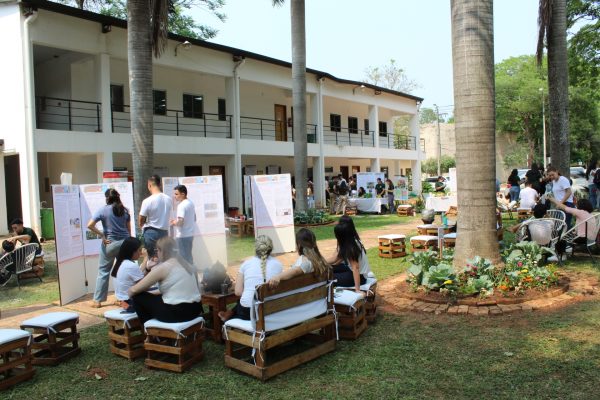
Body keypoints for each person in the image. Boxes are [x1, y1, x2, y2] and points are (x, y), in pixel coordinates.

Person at [128, 237, 203, 325]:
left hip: (178, 314)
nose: (157, 253)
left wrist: (129, 294)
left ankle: (151, 332)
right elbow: (175, 289)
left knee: (138, 296)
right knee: (153, 298)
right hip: (195, 309)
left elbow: (133, 290)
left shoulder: (164, 268)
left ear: (161, 251)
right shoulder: (188, 265)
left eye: (157, 250)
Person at [218, 235, 283, 321]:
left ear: (255, 249)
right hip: (270, 309)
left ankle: (230, 315)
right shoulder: (278, 264)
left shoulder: (246, 264)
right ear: (270, 249)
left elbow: (238, 292)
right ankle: (230, 313)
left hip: (249, 311)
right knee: (247, 301)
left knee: (245, 301)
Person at [87, 188, 131, 308]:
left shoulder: (103, 210)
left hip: (109, 243)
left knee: (103, 271)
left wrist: (101, 235)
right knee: (122, 271)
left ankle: (97, 301)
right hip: (124, 244)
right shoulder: (125, 211)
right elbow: (129, 230)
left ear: (107, 198)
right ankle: (123, 299)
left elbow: (89, 225)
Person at [329, 216, 371, 292]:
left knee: (329, 277)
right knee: (328, 269)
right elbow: (336, 259)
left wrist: (357, 289)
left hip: (360, 277)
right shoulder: (350, 241)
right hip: (350, 270)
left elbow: (355, 267)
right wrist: (319, 262)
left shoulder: (351, 246)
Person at [139, 175, 172, 258]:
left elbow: (141, 218)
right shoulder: (169, 199)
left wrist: (141, 226)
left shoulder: (147, 201)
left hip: (151, 233)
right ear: (160, 184)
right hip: (164, 232)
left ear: (149, 185)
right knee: (164, 258)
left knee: (152, 259)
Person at [111, 237, 145, 312]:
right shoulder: (131, 265)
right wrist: (146, 259)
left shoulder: (119, 263)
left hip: (123, 300)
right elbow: (144, 284)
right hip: (131, 302)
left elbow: (138, 274)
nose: (141, 253)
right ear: (132, 251)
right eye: (139, 250)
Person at [170, 185, 196, 265]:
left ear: (183, 194)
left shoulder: (181, 205)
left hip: (182, 236)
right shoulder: (190, 203)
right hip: (189, 235)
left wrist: (174, 222)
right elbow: (194, 218)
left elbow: (180, 222)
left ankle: (189, 276)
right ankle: (193, 276)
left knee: (184, 259)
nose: (175, 196)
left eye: (177, 194)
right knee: (188, 257)